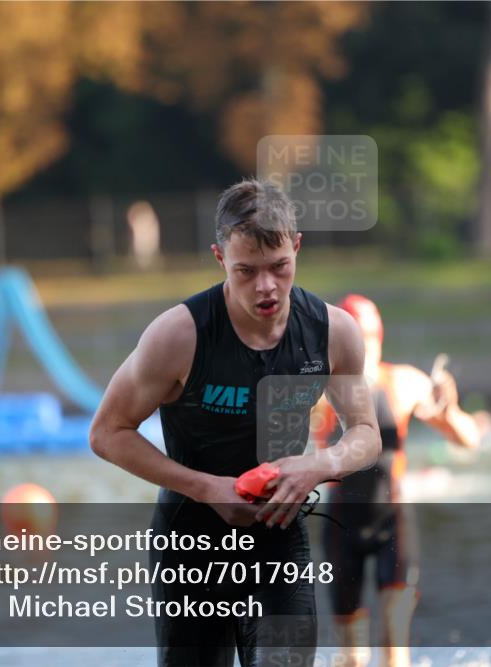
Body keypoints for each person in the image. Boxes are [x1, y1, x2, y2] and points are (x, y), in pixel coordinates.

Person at [90, 178, 381, 667]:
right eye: (246, 271)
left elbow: (366, 433)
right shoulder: (177, 336)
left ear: (297, 247)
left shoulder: (333, 332)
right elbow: (107, 433)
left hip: (279, 537)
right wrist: (206, 487)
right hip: (191, 543)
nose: (266, 286)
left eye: (279, 267)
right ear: (221, 258)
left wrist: (320, 464)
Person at [313, 294, 481, 667]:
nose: (365, 345)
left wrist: (449, 411)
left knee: (393, 645)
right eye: (356, 336)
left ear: (379, 337)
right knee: (353, 657)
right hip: (341, 526)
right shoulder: (320, 390)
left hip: (393, 524)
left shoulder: (403, 383)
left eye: (370, 336)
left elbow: (468, 440)